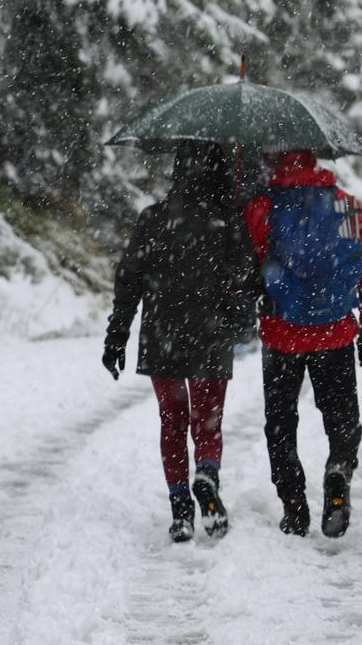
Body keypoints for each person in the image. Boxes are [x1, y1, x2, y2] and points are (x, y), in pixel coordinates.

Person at [103, 141, 258, 543]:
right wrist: (243, 320)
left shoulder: (153, 218)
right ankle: (206, 473)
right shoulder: (227, 219)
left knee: (172, 422)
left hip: (162, 335)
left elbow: (129, 280)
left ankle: (180, 509)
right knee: (207, 421)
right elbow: (245, 277)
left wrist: (117, 334)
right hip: (211, 334)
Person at [243, 149, 362, 538]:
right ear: (315, 161)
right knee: (342, 418)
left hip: (281, 335)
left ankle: (294, 506)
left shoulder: (261, 208)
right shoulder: (345, 206)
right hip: (334, 331)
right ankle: (339, 470)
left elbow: (249, 264)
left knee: (281, 424)